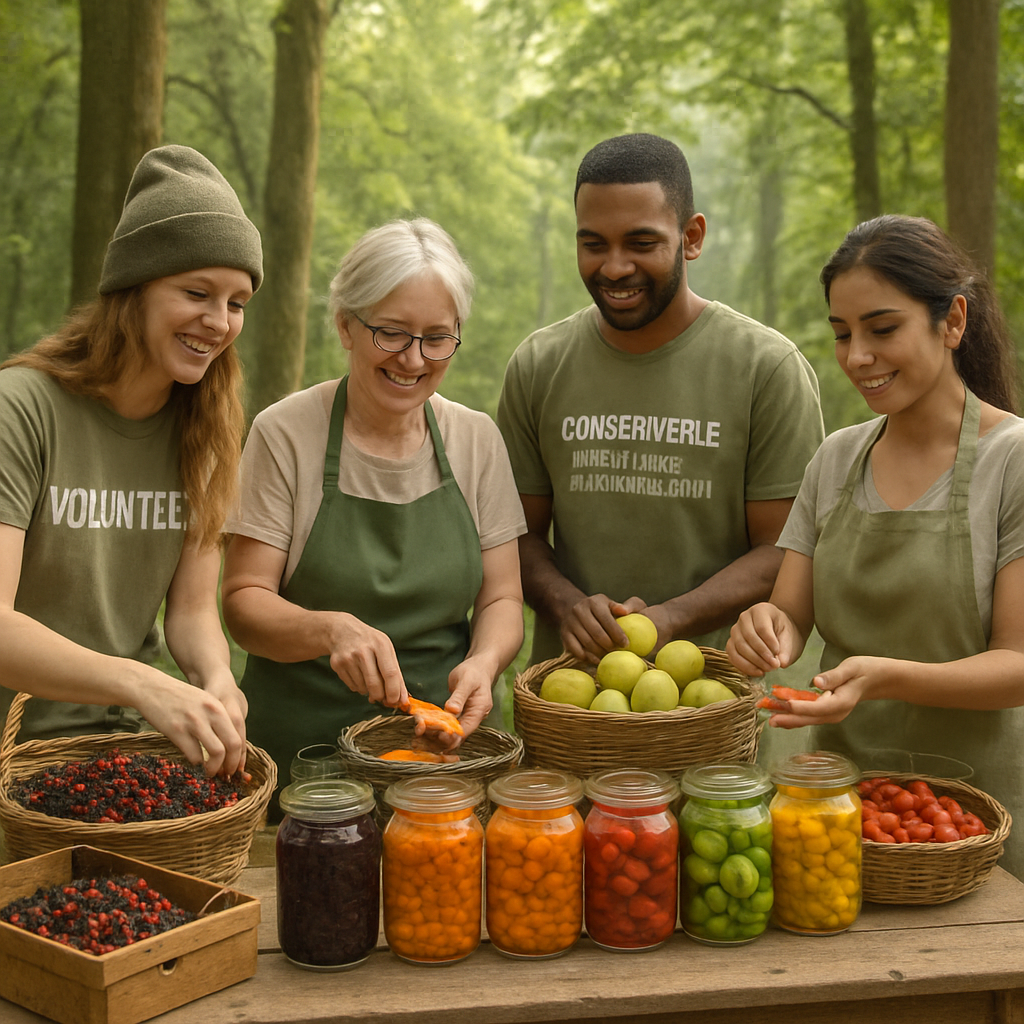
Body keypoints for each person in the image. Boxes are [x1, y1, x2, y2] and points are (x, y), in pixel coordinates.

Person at [727, 214, 1024, 876]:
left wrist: (884, 677)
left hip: (976, 825)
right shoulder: (835, 459)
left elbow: (1019, 663)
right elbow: (789, 619)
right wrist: (762, 628)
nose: (857, 355)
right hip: (839, 812)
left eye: (882, 329)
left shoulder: (1013, 462)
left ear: (952, 322)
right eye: (842, 334)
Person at [221, 217, 526, 792]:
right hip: (306, 769)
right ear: (346, 325)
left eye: (437, 337)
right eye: (391, 332)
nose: (413, 359)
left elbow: (503, 595)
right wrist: (329, 631)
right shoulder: (284, 434)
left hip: (446, 759)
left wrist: (484, 665)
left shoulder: (476, 440)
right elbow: (243, 602)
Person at [497, 133, 824, 665]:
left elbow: (785, 551)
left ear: (691, 236)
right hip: (568, 708)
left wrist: (671, 618)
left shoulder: (766, 369)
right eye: (593, 244)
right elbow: (515, 535)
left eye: (641, 243)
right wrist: (567, 604)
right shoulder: (538, 365)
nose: (615, 267)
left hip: (714, 706)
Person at [0, 145, 263, 775]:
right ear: (131, 290)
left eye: (237, 302)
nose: (219, 322)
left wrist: (214, 675)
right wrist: (143, 684)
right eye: (197, 292)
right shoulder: (22, 408)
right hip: (14, 757)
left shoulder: (203, 427)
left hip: (116, 757)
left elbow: (194, 609)